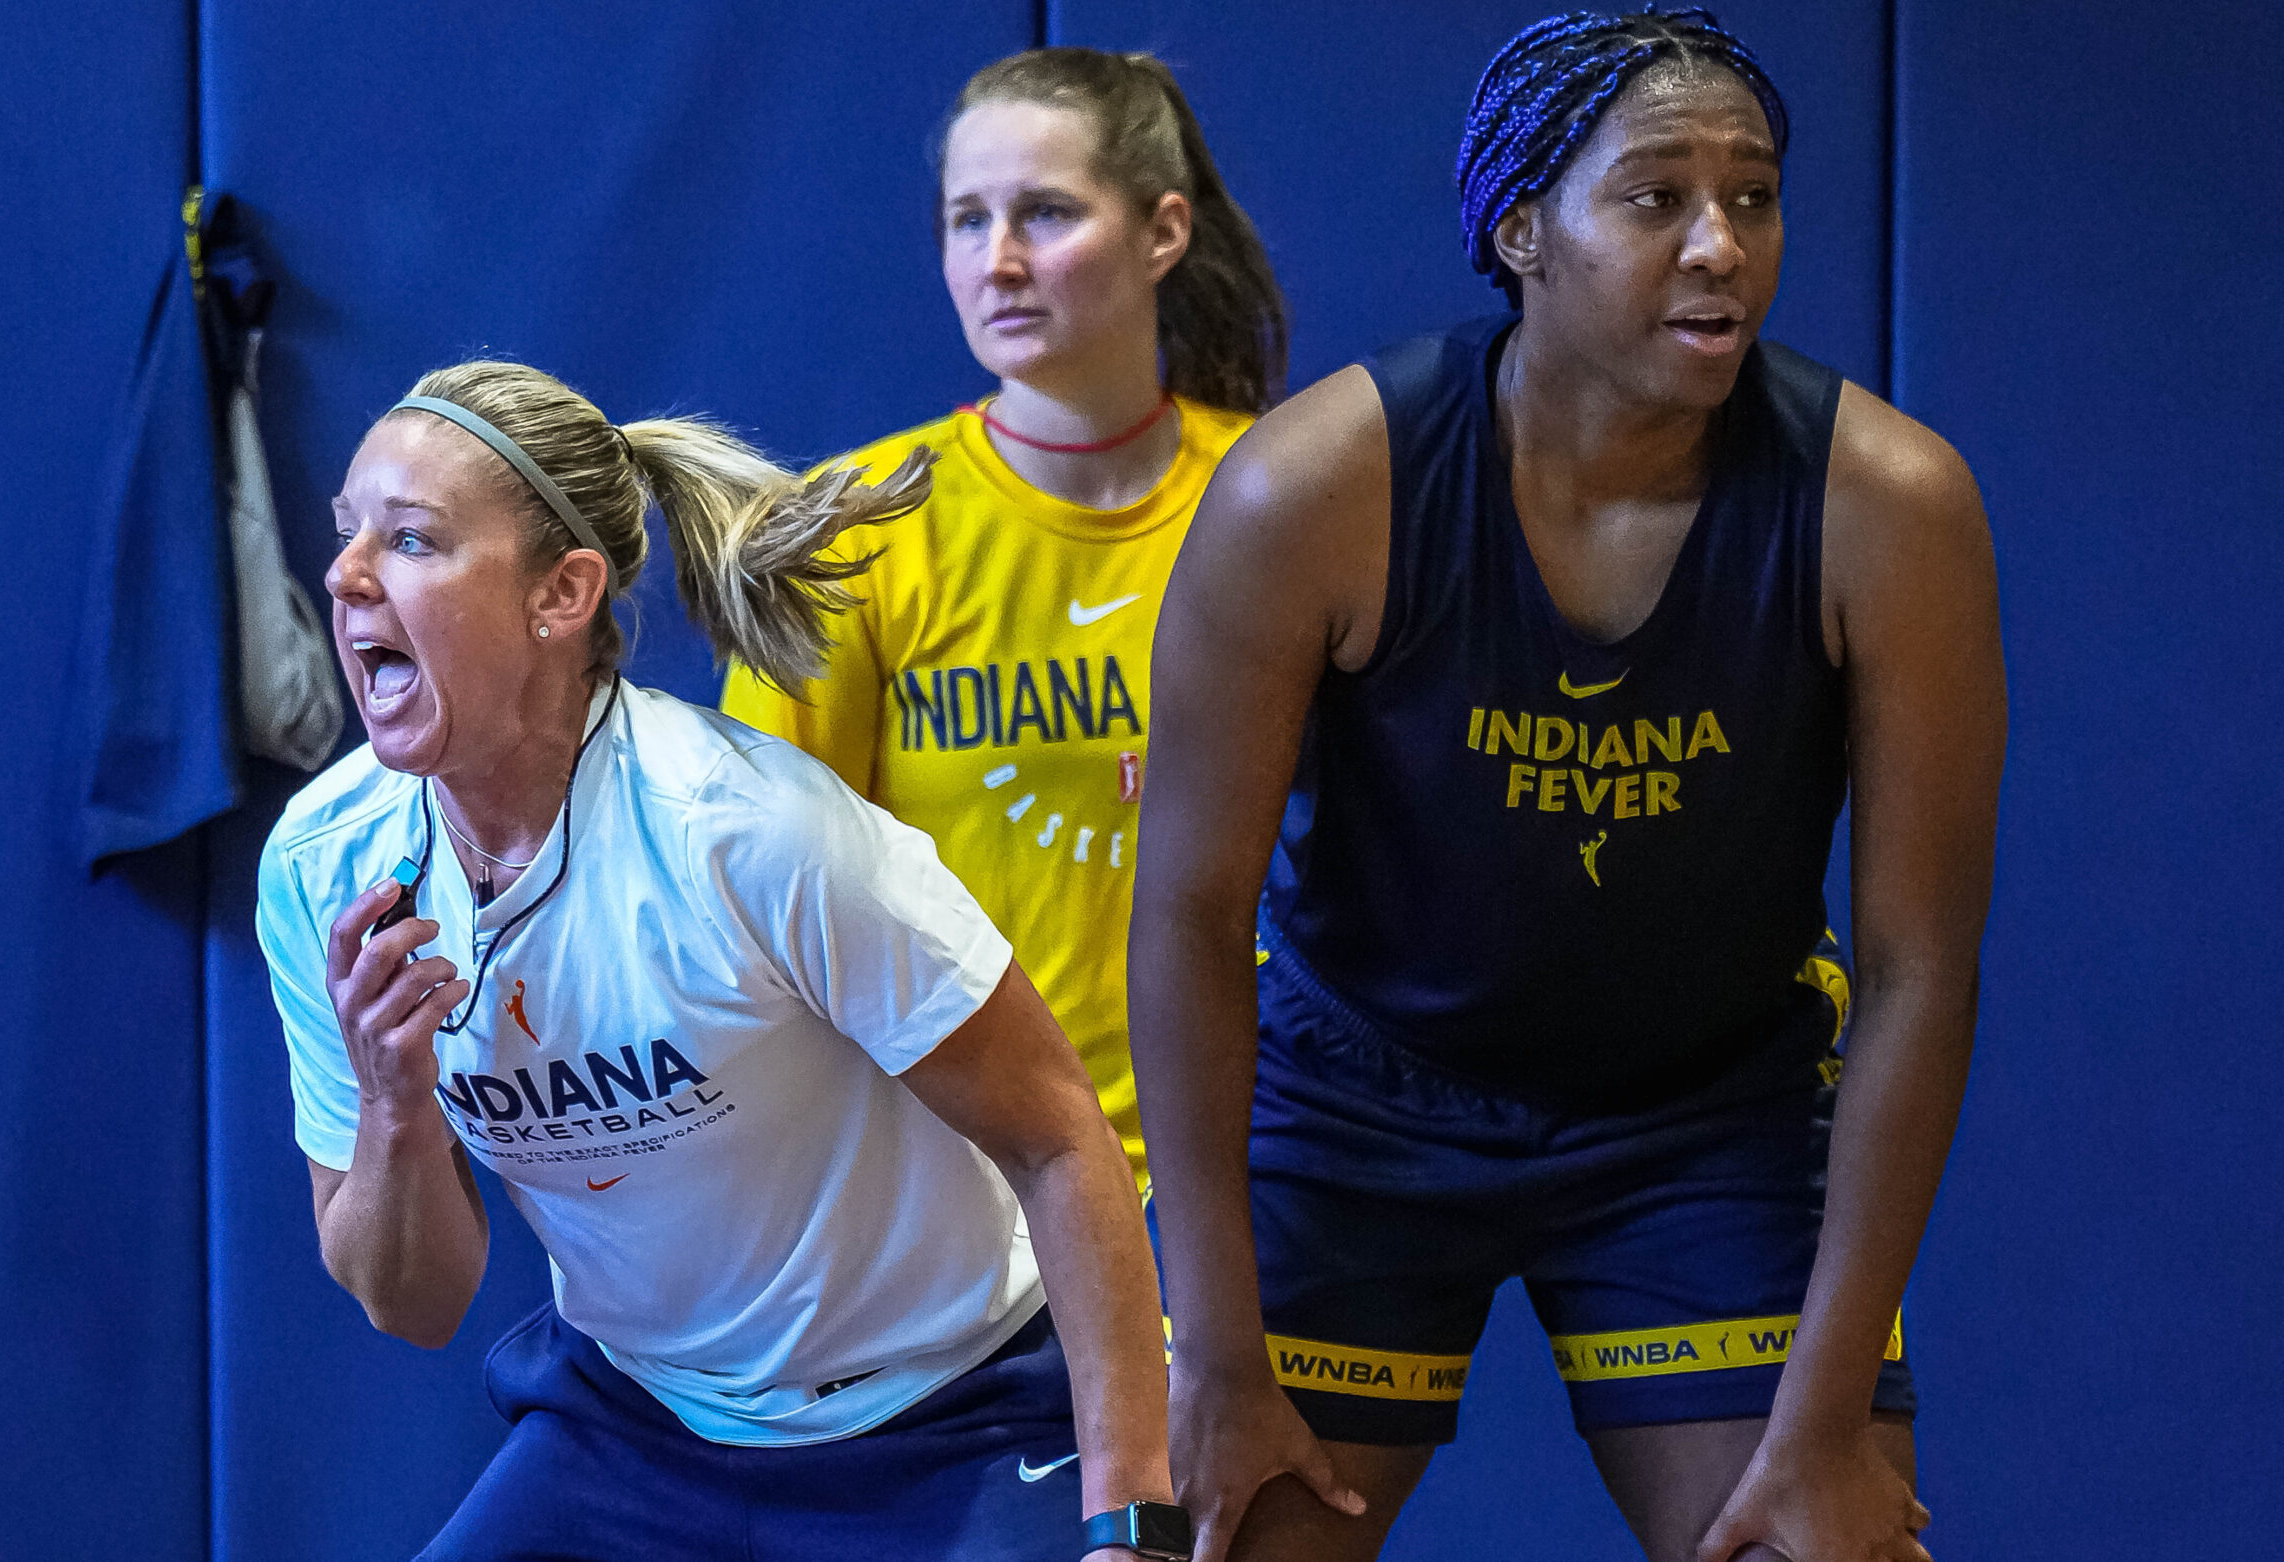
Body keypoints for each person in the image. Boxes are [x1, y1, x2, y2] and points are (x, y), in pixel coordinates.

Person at [1128, 10, 2005, 1562]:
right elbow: (1190, 912)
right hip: (1358, 1101)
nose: (1721, 246)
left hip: (1704, 1117)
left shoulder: (1892, 509)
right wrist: (1211, 1345)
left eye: (1752, 196)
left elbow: (1920, 967)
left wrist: (1820, 1423)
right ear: (1523, 229)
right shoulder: (1315, 488)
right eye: (1657, 197)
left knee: (1824, 1547)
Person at [256, 360, 1190, 1562]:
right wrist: (394, 1105)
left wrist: (1133, 1524)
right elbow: (415, 1301)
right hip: (640, 1422)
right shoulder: (325, 865)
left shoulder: (748, 833)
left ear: (563, 591)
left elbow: (1064, 1138)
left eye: (414, 540)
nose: (344, 576)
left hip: (952, 1411)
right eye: (347, 537)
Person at [720, 46, 1288, 1192]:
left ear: (1162, 231)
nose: (1002, 261)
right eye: (966, 221)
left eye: (1045, 213)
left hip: (1269, 1164)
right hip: (966, 1183)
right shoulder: (850, 533)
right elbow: (747, 897)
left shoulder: (1290, 497)